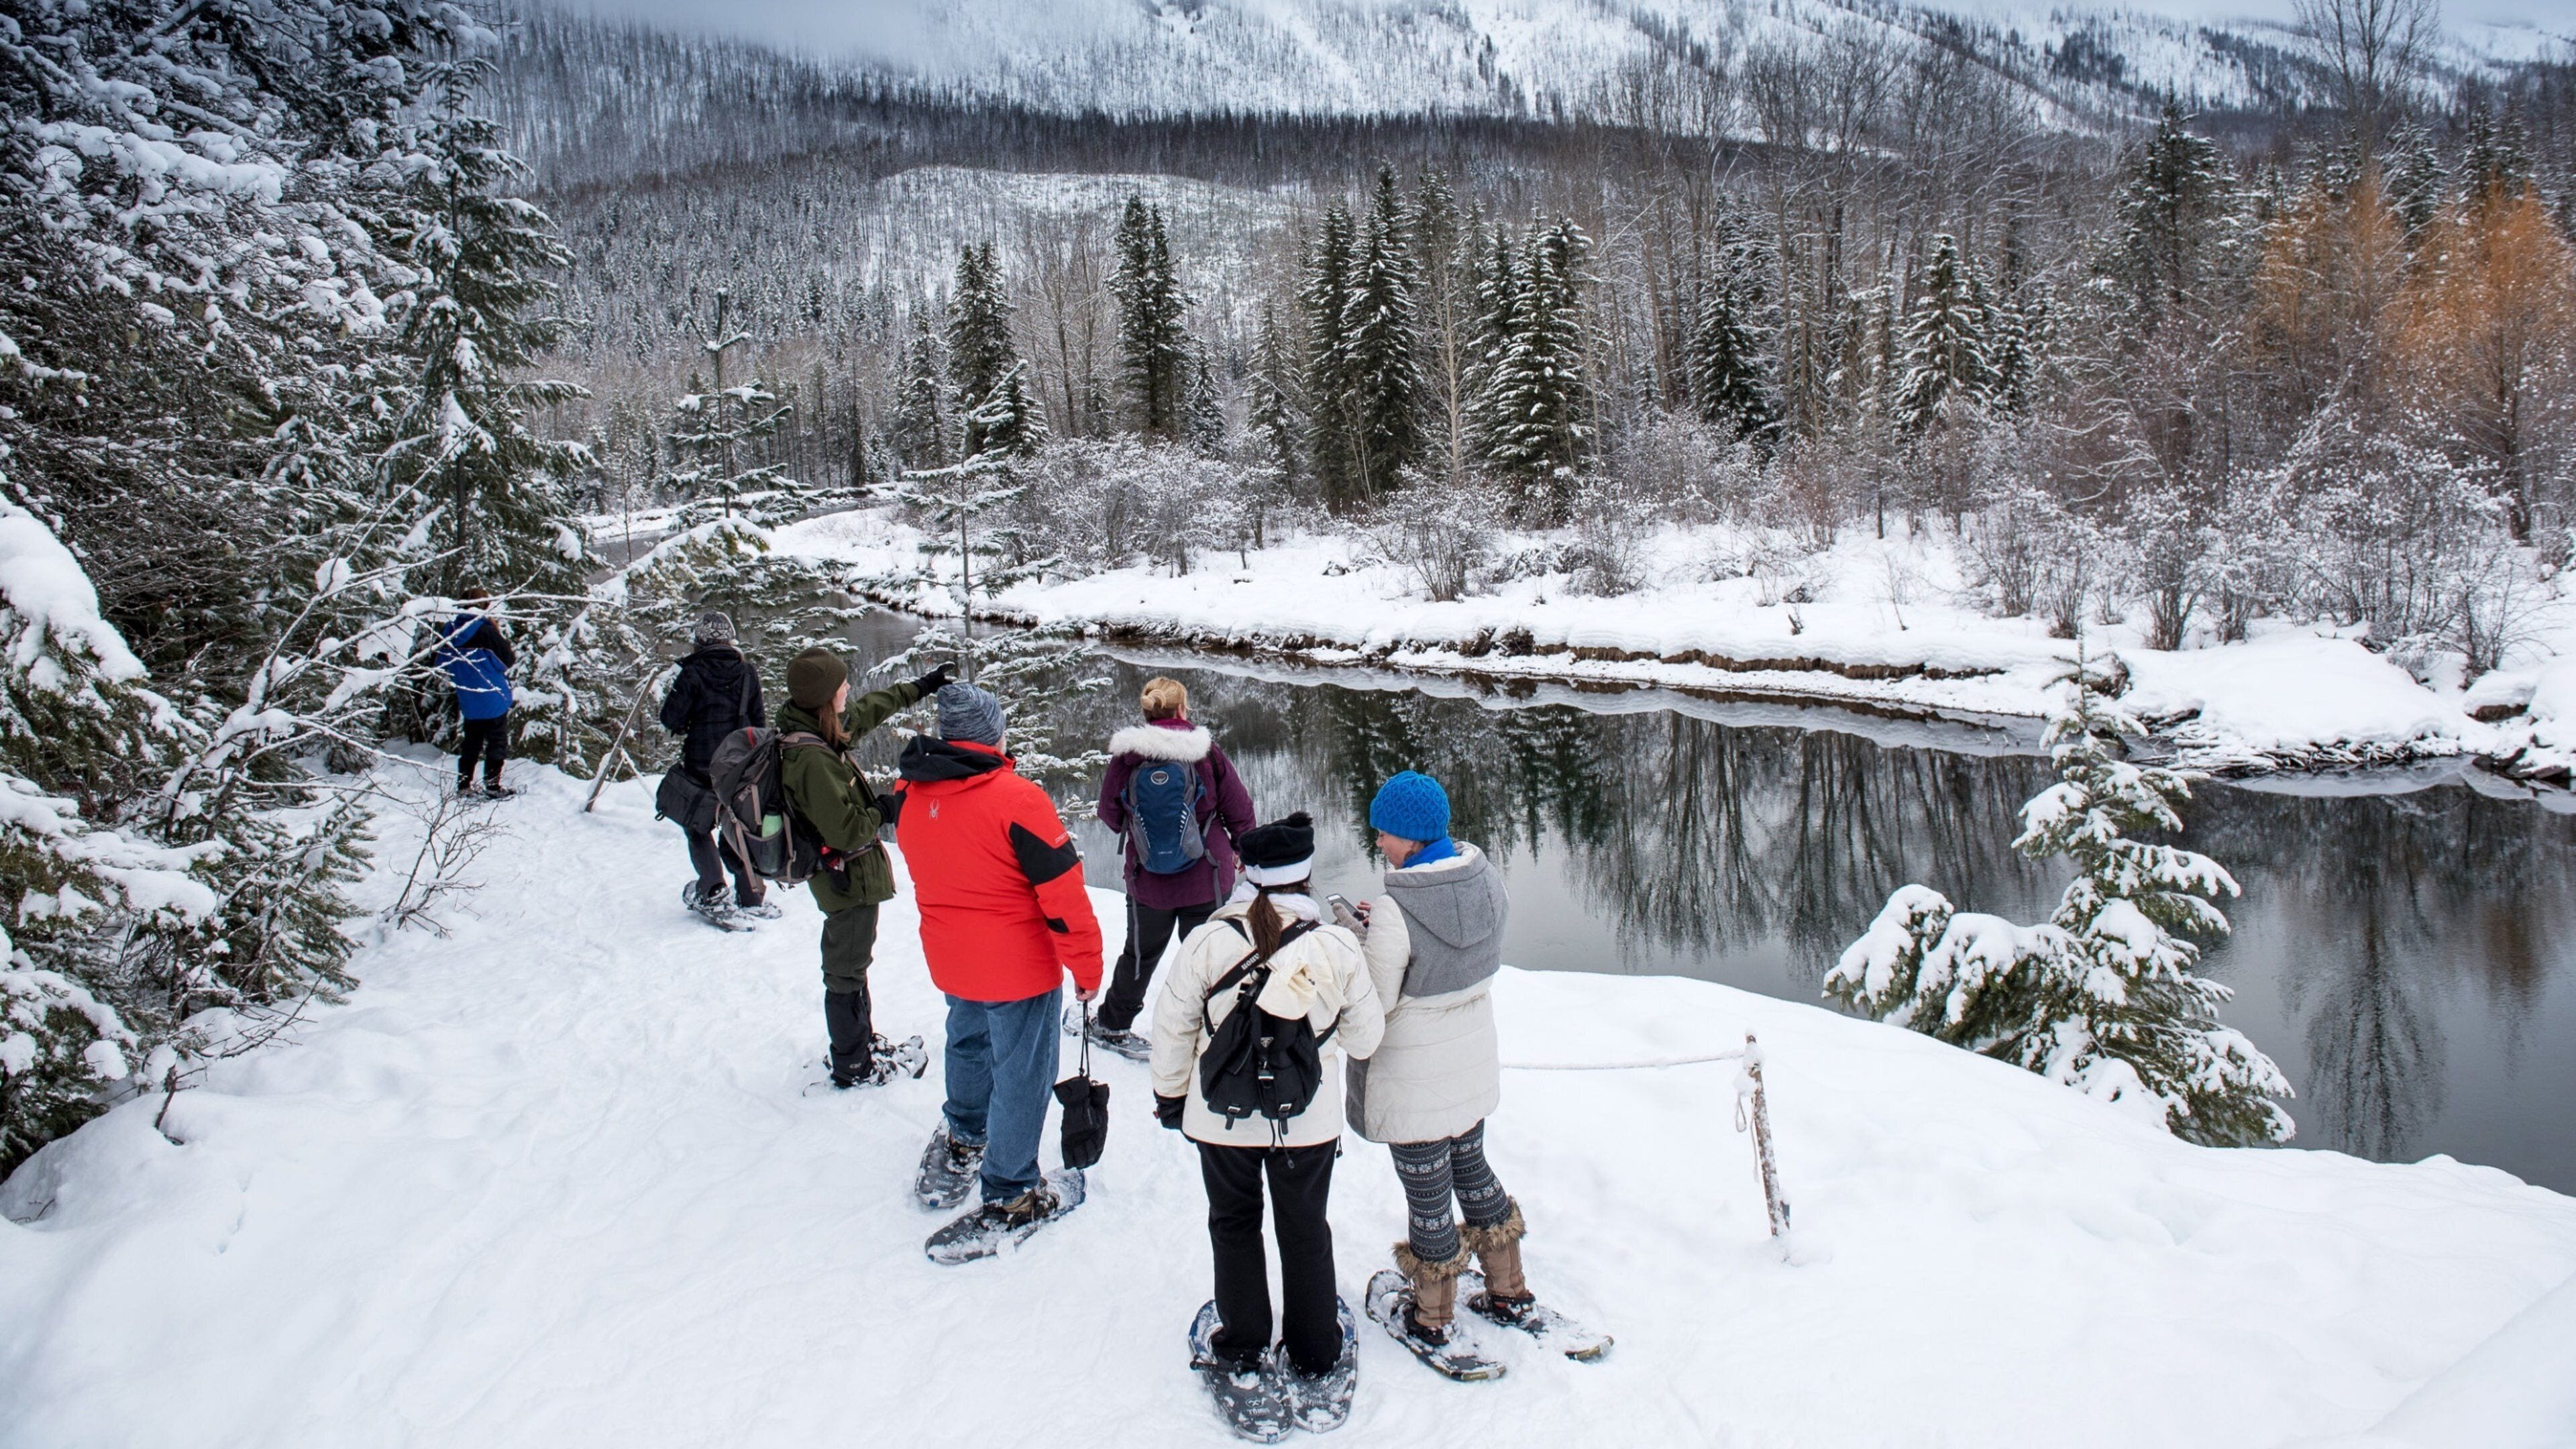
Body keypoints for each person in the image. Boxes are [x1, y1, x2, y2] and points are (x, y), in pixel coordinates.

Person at [1151, 810, 1383, 1424]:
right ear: (1306, 875)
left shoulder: (1208, 938)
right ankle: (1313, 1351)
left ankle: (1245, 1342)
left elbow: (1172, 1027)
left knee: (1233, 1223)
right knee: (1305, 1228)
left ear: (1248, 875)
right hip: (1305, 1122)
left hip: (1219, 1119)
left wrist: (1172, 1098)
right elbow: (1364, 1041)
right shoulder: (1334, 945)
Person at [892, 681, 1104, 1232]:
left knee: (966, 1040)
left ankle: (964, 1137)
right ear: (991, 735)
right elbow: (1064, 896)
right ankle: (1012, 1191)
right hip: (1017, 970)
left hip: (953, 959)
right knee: (1022, 1074)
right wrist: (1086, 968)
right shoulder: (1017, 801)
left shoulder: (912, 794)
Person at [1346, 769, 1540, 1350]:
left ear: (1409, 836)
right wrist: (1378, 929)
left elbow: (1376, 1005)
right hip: (1471, 1062)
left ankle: (1432, 1317)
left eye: (1384, 834)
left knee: (1427, 1190)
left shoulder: (1394, 909)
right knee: (1472, 1167)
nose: (1379, 843)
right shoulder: (1489, 884)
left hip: (1413, 1076)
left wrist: (1361, 941)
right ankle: (1510, 1287)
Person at [776, 646, 951, 1088]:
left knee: (851, 961)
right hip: (844, 879)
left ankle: (859, 1046)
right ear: (823, 697)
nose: (848, 689)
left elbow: (871, 710)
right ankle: (853, 1063)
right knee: (845, 967)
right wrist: (886, 809)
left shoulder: (817, 729)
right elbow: (848, 831)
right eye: (841, 685)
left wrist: (923, 687)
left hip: (847, 877)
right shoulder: (812, 759)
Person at [1090, 676, 1255, 1058]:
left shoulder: (1128, 757)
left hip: (1149, 882)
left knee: (1139, 956)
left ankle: (1113, 1026)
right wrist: (1240, 849)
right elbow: (1240, 810)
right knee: (1209, 956)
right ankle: (1216, 1031)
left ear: (1147, 712)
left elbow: (1110, 816)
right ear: (1182, 710)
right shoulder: (1206, 753)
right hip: (1208, 878)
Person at [659, 610, 772, 920]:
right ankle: (750, 893)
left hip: (702, 764)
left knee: (697, 826)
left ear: (699, 641)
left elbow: (671, 719)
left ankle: (712, 890)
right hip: (741, 766)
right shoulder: (747, 672)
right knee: (738, 824)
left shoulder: (692, 674)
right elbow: (759, 724)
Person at [435, 588, 517, 799]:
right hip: (492, 694)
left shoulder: (450, 630)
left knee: (471, 741)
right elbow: (507, 660)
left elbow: (441, 662)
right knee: (496, 741)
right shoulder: (485, 631)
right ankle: (492, 786)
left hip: (468, 696)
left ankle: (464, 785)